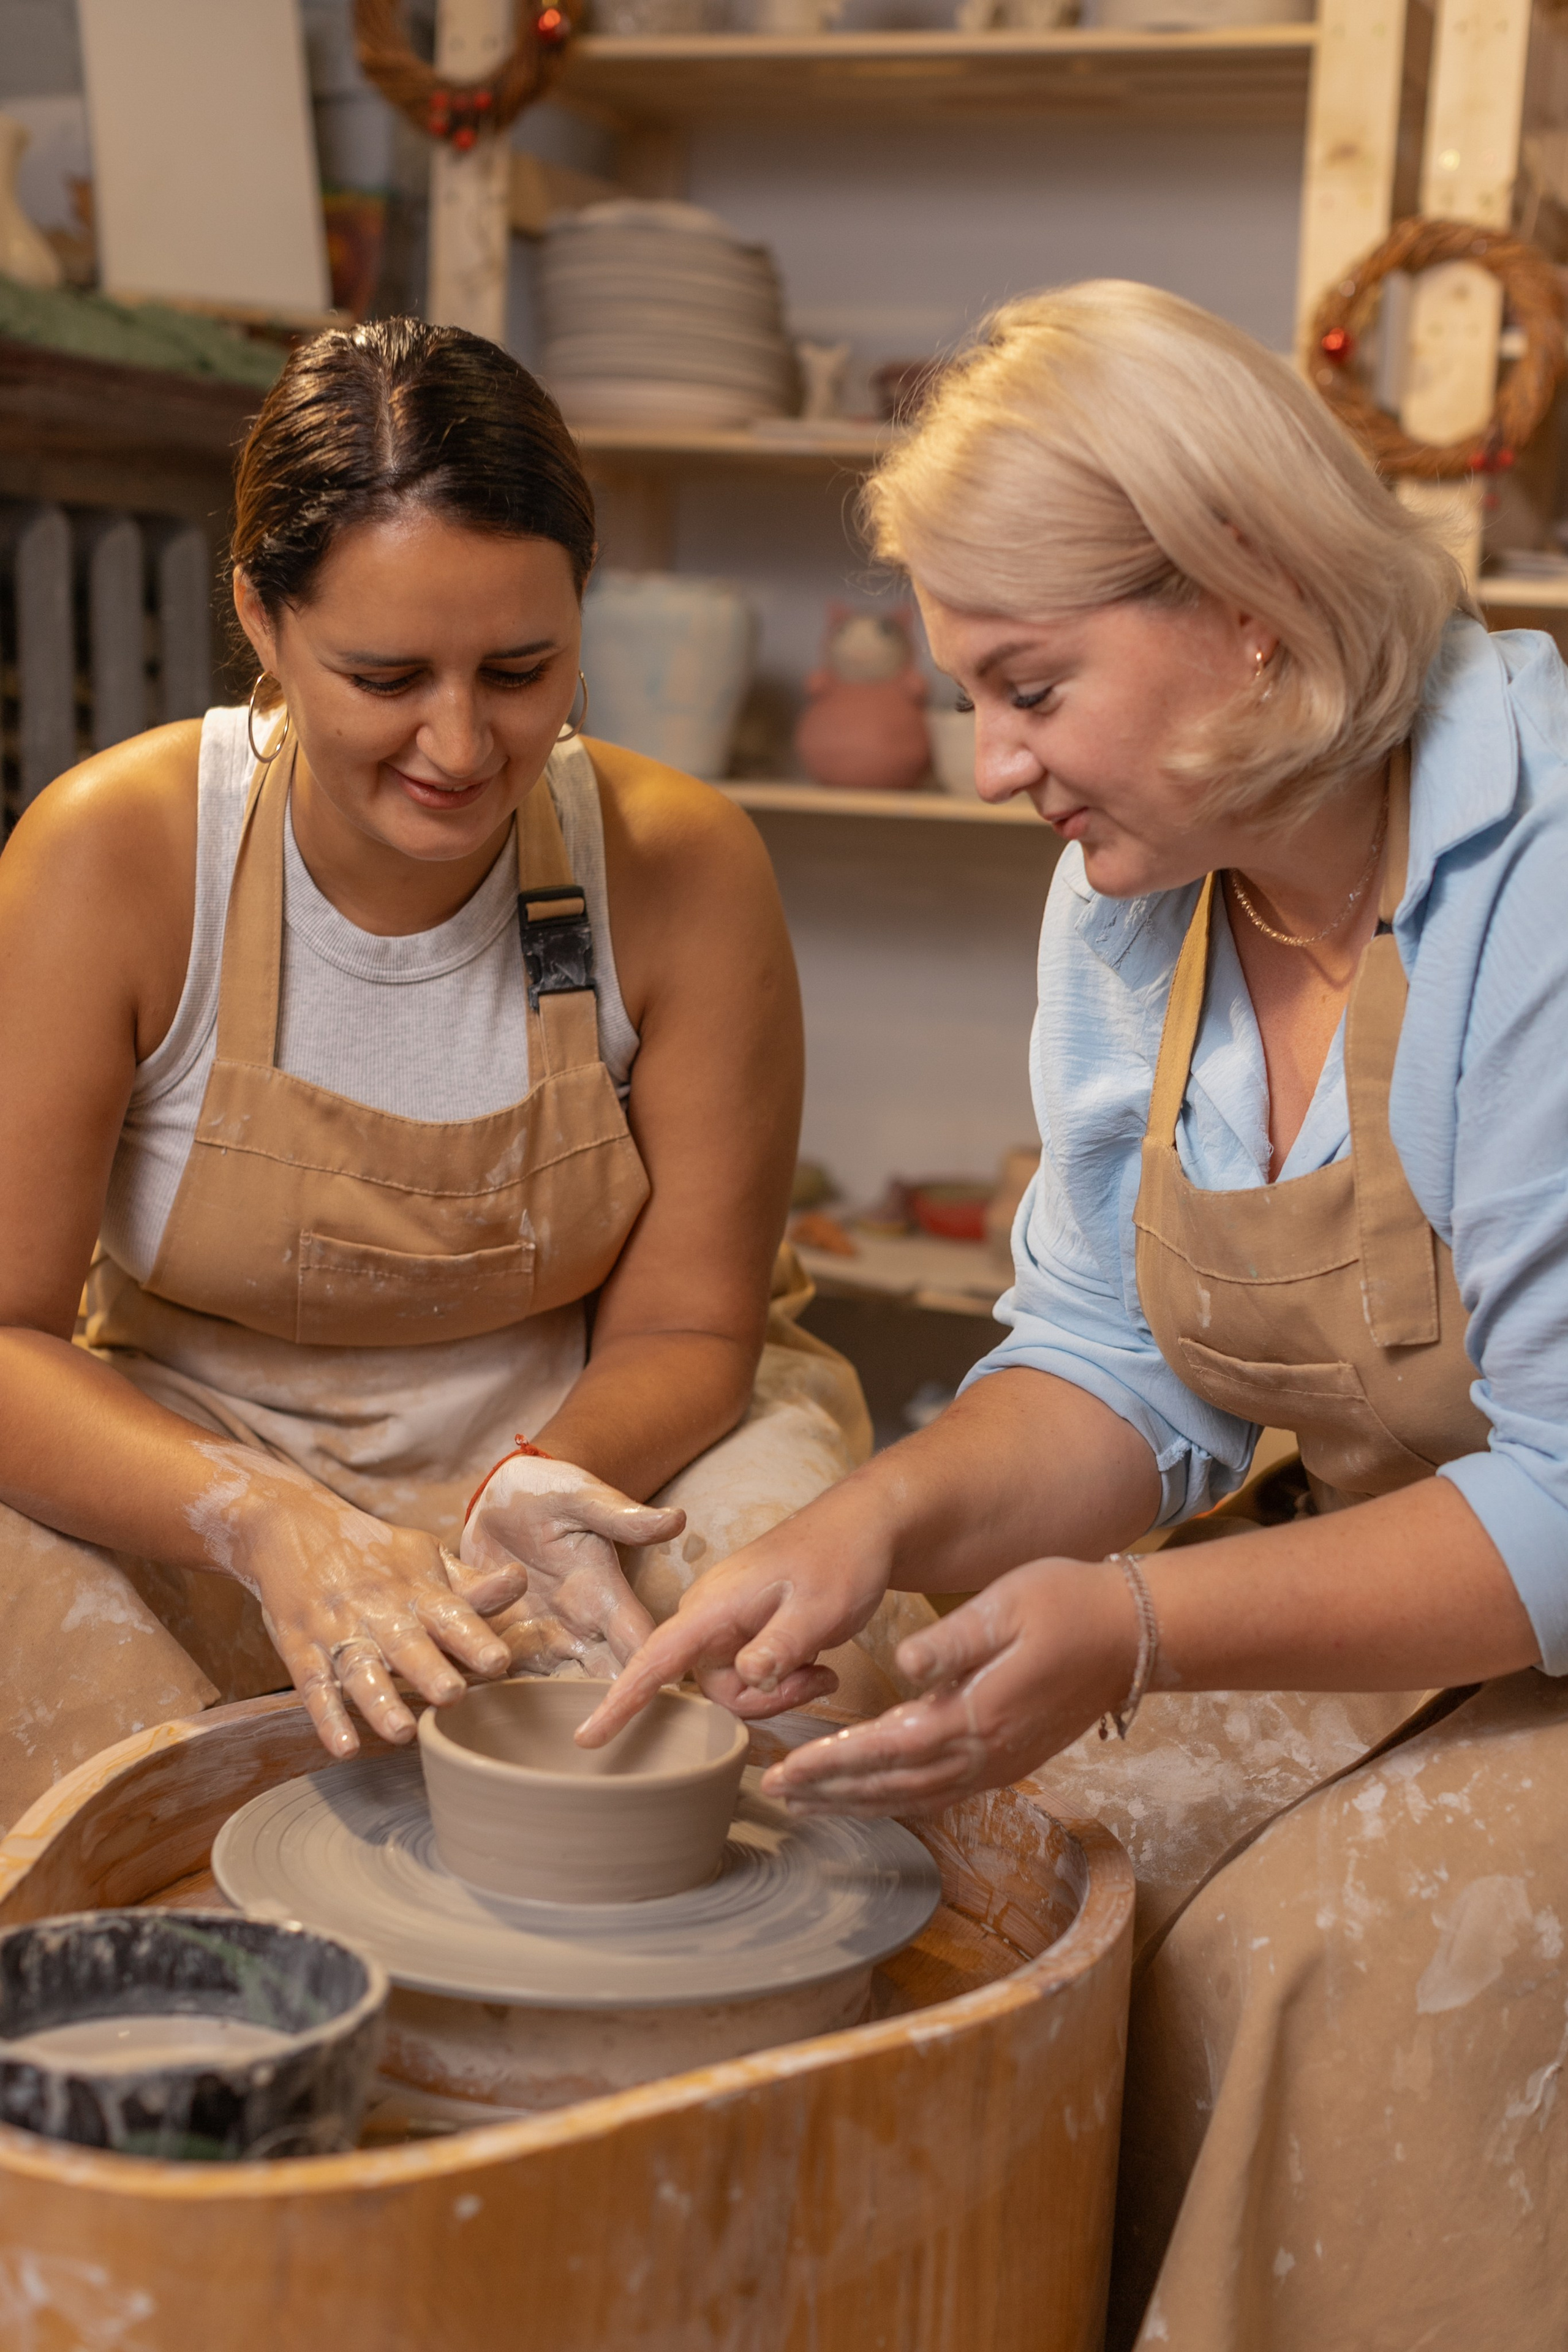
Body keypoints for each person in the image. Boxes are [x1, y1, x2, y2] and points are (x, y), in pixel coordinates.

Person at [581, 283, 1568, 2349]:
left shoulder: (1543, 868)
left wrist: (1133, 1625)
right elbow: (1126, 1361)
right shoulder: (1146, 881)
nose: (992, 760)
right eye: (968, 692)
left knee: (1317, 1954)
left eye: (1030, 686)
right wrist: (878, 1522)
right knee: (992, 1862)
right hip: (1425, 1589)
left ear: (1254, 611)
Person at [0, 318, 923, 1833]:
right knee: (128, 1777)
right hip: (203, 1448)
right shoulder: (116, 856)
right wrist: (266, 1524)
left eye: (519, 669)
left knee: (781, 1676)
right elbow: (8, 1336)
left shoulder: (677, 866)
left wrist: (531, 1488)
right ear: (262, 619)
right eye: (384, 675)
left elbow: (696, 1321)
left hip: (594, 1424)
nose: (460, 742)